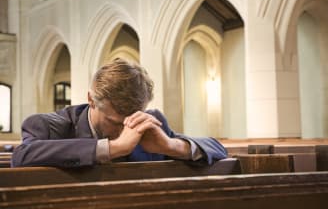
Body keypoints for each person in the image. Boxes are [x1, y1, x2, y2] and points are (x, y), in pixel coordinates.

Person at [12, 58, 227, 167]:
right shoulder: (49, 126)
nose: (126, 128)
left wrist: (172, 146)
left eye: (130, 120)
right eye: (114, 121)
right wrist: (113, 147)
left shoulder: (148, 122)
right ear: (91, 100)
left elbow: (218, 150)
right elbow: (21, 157)